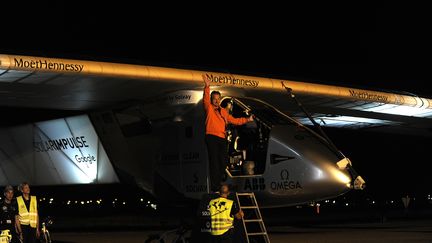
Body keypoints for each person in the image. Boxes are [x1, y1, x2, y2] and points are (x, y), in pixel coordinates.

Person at [202, 74, 254, 191]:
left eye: (217, 99)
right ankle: (215, 186)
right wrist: (207, 86)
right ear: (211, 100)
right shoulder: (209, 108)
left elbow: (234, 120)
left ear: (220, 100)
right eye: (214, 99)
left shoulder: (223, 111)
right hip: (211, 137)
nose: (216, 100)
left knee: (223, 162)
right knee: (214, 162)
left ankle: (218, 182)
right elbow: (205, 98)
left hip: (222, 138)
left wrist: (247, 119)